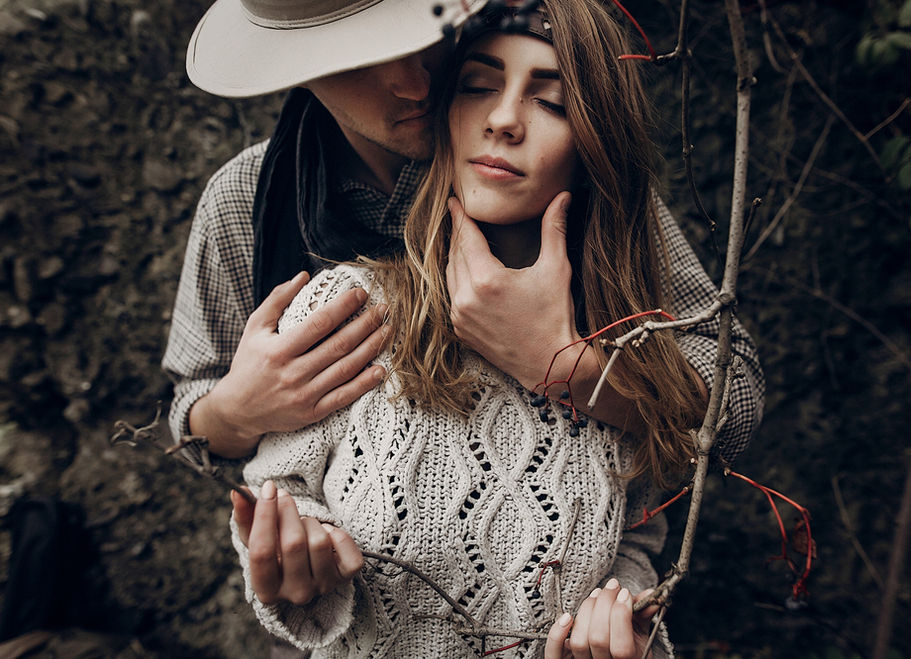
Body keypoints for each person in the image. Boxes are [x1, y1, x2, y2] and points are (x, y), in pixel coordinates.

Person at [226, 1, 761, 657]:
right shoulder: (337, 299)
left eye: (553, 103)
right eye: (478, 87)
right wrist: (234, 430)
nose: (504, 119)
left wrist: (628, 637)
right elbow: (275, 493)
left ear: (595, 146)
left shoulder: (632, 356)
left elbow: (637, 549)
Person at [162, 0, 763, 467]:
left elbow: (733, 399)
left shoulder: (546, 164)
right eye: (358, 64)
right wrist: (238, 413)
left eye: (419, 36)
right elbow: (192, 419)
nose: (415, 83)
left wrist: (566, 367)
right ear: (297, 73)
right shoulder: (246, 199)